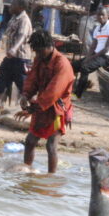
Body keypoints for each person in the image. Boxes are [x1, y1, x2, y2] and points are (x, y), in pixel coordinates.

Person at [17, 29, 74, 174]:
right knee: (30, 141)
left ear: (49, 46)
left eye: (39, 51)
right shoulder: (40, 59)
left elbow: (54, 92)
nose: (37, 55)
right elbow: (32, 79)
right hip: (41, 107)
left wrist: (31, 109)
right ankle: (26, 172)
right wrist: (25, 94)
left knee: (51, 145)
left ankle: (51, 178)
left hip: (57, 110)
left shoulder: (62, 64)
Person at [73, 6, 109, 98]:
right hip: (97, 54)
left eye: (103, 15)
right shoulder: (97, 28)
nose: (101, 17)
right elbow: (93, 45)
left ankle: (77, 94)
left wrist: (91, 58)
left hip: (107, 56)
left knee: (85, 68)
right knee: (74, 65)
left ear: (107, 16)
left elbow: (107, 48)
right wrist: (88, 57)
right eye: (99, 15)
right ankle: (79, 85)